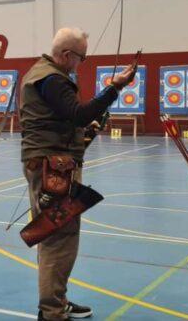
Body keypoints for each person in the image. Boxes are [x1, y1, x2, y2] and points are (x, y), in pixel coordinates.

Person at [20, 28, 135, 320]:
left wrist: (83, 132)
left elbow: (68, 120)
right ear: (67, 54)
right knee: (59, 238)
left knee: (56, 236)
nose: (81, 63)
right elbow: (79, 113)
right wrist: (115, 88)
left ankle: (56, 300)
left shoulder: (44, 74)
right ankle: (52, 311)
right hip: (52, 166)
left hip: (51, 162)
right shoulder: (53, 79)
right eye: (81, 57)